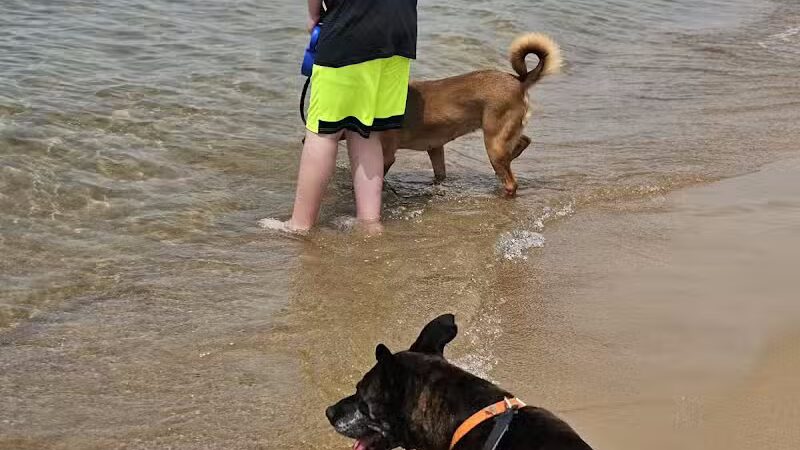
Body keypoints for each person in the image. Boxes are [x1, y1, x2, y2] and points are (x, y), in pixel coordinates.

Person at [284, 0, 418, 234]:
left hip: (351, 29)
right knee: (367, 131)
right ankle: (369, 223)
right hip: (399, 34)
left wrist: (313, 14)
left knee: (323, 132)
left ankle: (300, 224)